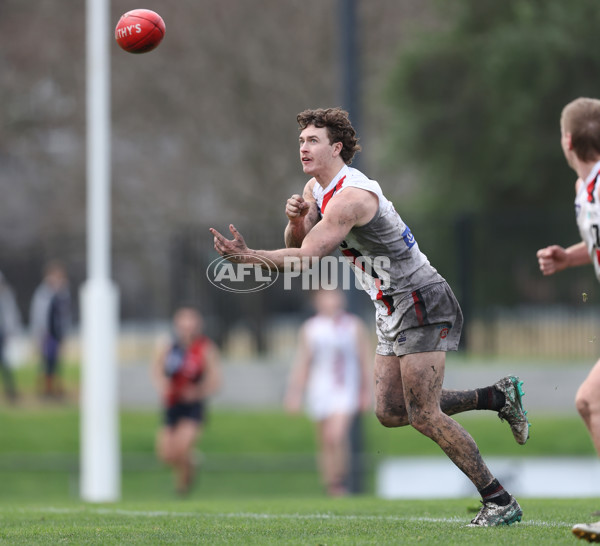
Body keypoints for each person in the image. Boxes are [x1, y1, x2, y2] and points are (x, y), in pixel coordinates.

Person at [211, 107, 529, 526]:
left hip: (419, 296)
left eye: (313, 141)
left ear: (336, 148)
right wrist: (296, 219)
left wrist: (248, 256)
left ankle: (499, 500)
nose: (303, 147)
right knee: (392, 411)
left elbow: (306, 259)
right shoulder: (314, 189)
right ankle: (496, 397)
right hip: (388, 304)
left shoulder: (351, 197)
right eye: (301, 141)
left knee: (425, 414)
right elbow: (299, 239)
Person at [536, 97, 600, 542]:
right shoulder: (585, 189)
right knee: (589, 403)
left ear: (568, 140)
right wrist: (569, 257)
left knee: (590, 402)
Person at [284, 288, 371, 496]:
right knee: (324, 441)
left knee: (336, 435)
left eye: (333, 295)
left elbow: (365, 360)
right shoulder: (311, 328)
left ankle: (341, 482)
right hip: (320, 388)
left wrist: (367, 391)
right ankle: (331, 486)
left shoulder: (353, 325)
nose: (330, 300)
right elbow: (303, 362)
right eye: (325, 296)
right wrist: (294, 393)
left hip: (345, 388)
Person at [151, 306, 221, 495]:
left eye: (191, 321)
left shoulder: (205, 348)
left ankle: (182, 490)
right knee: (166, 454)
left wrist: (197, 392)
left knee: (181, 448)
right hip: (172, 404)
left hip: (192, 406)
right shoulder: (167, 346)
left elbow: (215, 381)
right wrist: (163, 386)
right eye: (183, 322)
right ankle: (193, 461)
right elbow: (157, 371)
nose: (187, 326)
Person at [29, 261, 71, 398]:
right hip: (47, 334)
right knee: (46, 362)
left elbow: (65, 314)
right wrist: (38, 333)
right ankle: (45, 390)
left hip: (57, 333)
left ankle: (55, 389)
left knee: (56, 362)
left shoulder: (62, 293)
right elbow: (38, 314)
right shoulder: (43, 293)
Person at [0, 271, 23, 403]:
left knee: (5, 363)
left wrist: (12, 332)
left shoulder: (6, 296)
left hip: (2, 333)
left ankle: (11, 392)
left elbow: (12, 315)